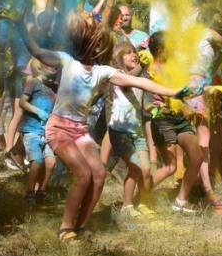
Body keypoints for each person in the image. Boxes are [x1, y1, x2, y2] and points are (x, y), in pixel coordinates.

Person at [13, 12, 193, 240]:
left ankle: (82, 225)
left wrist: (173, 92)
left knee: (98, 173)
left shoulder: (102, 72)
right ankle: (65, 228)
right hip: (58, 128)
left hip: (80, 131)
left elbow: (139, 81)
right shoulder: (66, 61)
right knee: (83, 172)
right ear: (84, 40)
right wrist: (20, 23)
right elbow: (37, 51)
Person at [143, 31, 206, 214]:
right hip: (164, 120)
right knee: (170, 167)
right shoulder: (155, 69)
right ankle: (139, 197)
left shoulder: (171, 66)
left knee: (197, 156)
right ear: (162, 50)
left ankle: (180, 201)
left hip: (178, 118)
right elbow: (167, 94)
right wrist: (186, 105)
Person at [108, 40, 155, 219]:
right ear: (119, 58)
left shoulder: (140, 78)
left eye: (134, 51)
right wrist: (142, 65)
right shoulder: (118, 75)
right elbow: (129, 83)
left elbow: (144, 100)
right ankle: (126, 207)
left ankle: (142, 202)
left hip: (137, 132)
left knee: (146, 169)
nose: (134, 54)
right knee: (135, 167)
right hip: (120, 131)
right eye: (128, 53)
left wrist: (154, 109)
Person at [16, 59, 58, 204]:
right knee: (38, 160)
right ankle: (30, 192)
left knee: (51, 162)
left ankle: (42, 191)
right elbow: (22, 102)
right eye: (49, 64)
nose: (53, 67)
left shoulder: (54, 87)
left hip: (48, 131)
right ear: (40, 66)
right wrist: (38, 111)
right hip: (31, 130)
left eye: (55, 66)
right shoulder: (32, 82)